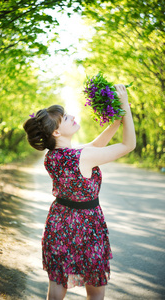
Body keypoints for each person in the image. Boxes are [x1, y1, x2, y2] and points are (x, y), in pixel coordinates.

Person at [23, 84, 136, 300]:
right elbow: (128, 145)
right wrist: (125, 108)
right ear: (56, 131)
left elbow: (95, 145)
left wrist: (116, 121)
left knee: (57, 283)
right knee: (95, 287)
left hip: (59, 221)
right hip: (87, 224)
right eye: (65, 118)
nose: (72, 117)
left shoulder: (53, 157)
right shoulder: (81, 157)